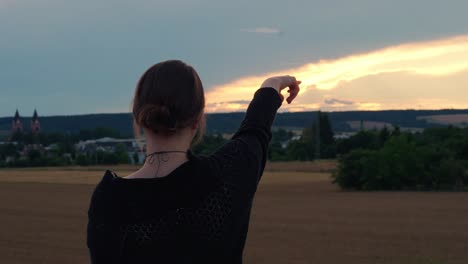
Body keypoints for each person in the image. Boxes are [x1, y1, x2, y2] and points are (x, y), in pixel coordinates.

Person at [87, 60, 300, 263]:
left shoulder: (109, 200)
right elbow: (255, 129)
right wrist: (273, 84)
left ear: (138, 116)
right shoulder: (227, 176)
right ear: (199, 118)